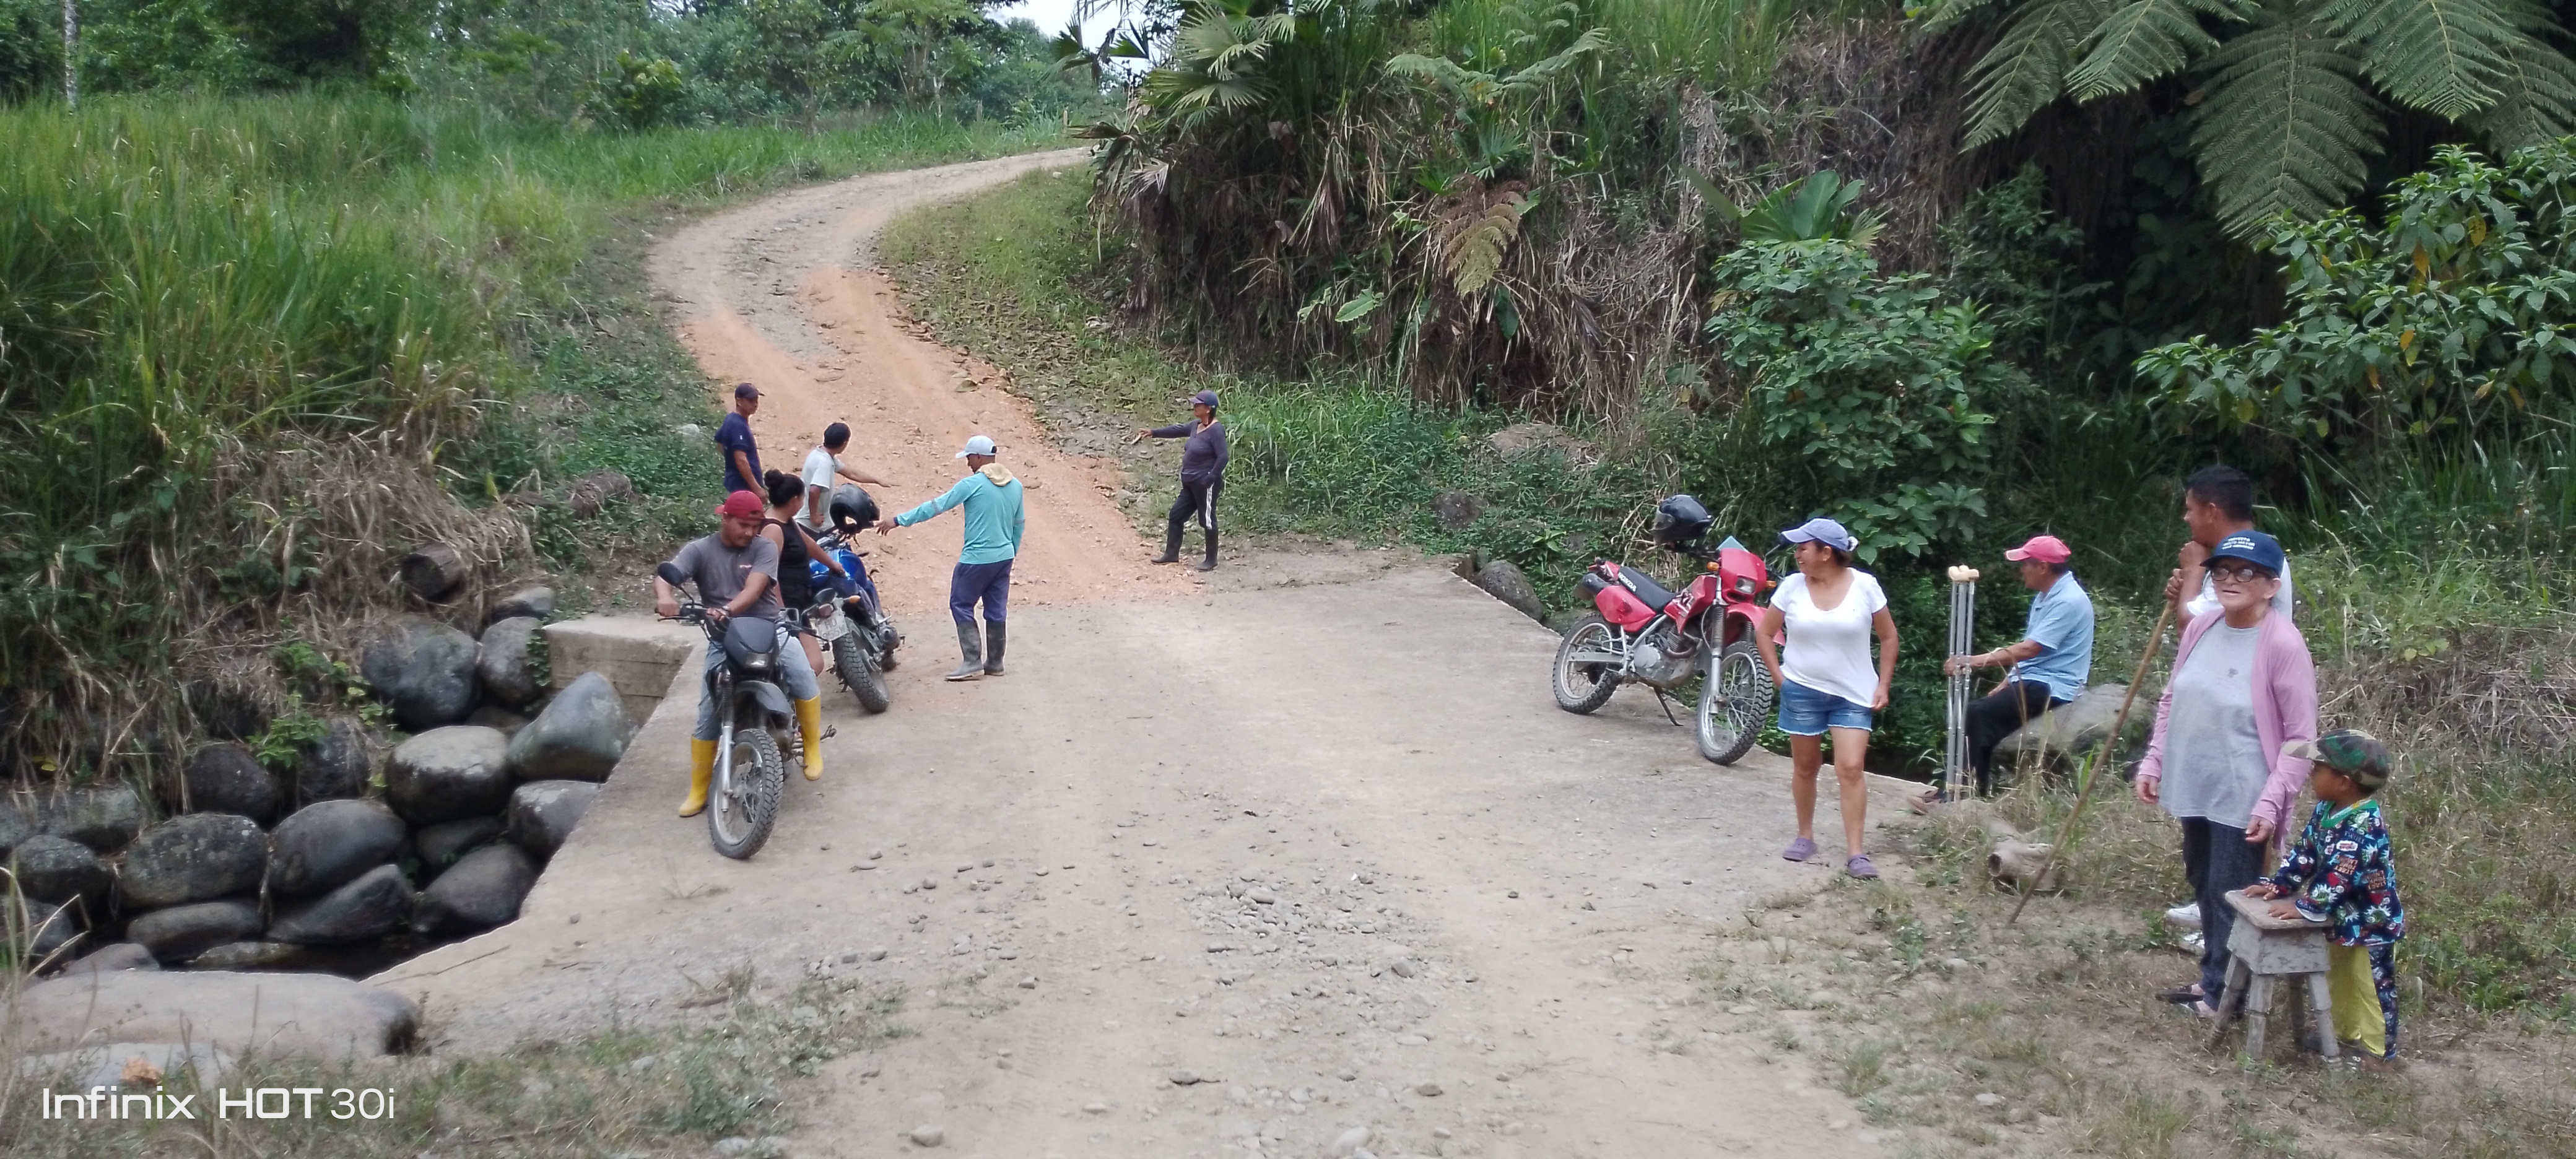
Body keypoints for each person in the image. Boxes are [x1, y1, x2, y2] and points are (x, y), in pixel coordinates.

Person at [2134, 529, 2318, 1019]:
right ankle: (2212, 979)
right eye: (2221, 571)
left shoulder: (2283, 643)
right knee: (2202, 879)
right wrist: (2154, 759)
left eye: (2246, 572)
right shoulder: (2203, 626)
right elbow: (2173, 697)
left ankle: (2227, 1000)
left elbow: (2301, 738)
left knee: (2231, 891)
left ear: (2271, 586)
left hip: (2245, 792)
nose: (2230, 580)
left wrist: (2273, 801)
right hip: (2196, 779)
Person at [2161, 465, 2294, 935]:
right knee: (2206, 850)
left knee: (2234, 849)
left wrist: (2193, 572)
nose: (2186, 519)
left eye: (2190, 509)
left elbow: (2187, 624)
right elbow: (2193, 621)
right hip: (2210, 725)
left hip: (2243, 732)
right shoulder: (2226, 566)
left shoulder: (2253, 564)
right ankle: (2213, 924)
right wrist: (2192, 580)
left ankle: (2227, 939)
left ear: (2212, 511)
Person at [652, 490, 828, 815]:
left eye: (754, 526)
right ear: (725, 518)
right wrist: (665, 596)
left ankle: (812, 748)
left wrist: (727, 609)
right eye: (742, 525)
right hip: (723, 636)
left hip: (768, 627)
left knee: (804, 674)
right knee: (709, 711)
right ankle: (699, 788)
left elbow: (755, 587)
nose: (749, 532)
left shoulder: (764, 547)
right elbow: (666, 576)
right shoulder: (700, 550)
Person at [2245, 729, 2406, 1070]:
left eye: (2318, 768)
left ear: (2344, 782)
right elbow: (2306, 853)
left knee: (2372, 987)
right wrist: (2280, 884)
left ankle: (2380, 1054)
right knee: (2340, 978)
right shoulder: (2326, 809)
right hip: (2343, 919)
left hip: (2372, 923)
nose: (2311, 774)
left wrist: (2306, 907)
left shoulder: (2363, 824)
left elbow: (2339, 875)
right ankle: (2344, 1032)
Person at [1753, 518, 1899, 880]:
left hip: (1854, 694)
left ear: (1826, 553)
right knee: (1805, 766)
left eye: (1803, 548)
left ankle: (1856, 852)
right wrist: (1780, 679)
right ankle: (1805, 836)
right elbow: (1765, 633)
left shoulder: (1865, 586)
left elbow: (1889, 637)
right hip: (1801, 690)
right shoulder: (1791, 587)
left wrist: (1883, 685)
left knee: (1850, 767)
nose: (1797, 554)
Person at [1916, 534, 2094, 810]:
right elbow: (2035, 651)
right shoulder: (2047, 596)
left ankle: (1967, 793)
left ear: (2043, 567)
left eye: (2026, 564)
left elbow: (2030, 649)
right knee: (1979, 710)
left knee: (1978, 713)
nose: (2022, 570)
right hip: (2037, 678)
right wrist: (2008, 681)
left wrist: (1972, 661)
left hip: (2054, 686)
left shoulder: (2068, 601)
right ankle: (1956, 786)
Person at [878, 435, 1024, 682]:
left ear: (978, 457)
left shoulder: (972, 485)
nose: (968, 463)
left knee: (961, 604)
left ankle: (972, 662)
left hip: (976, 558)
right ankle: (995, 662)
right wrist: (1010, 552)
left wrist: (899, 520)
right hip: (1004, 558)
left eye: (969, 458)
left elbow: (937, 506)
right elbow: (1019, 524)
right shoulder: (1016, 485)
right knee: (996, 609)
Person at [760, 470, 851, 679]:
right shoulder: (773, 529)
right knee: (813, 664)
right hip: (787, 606)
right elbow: (769, 575)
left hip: (798, 602)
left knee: (809, 663)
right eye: (802, 499)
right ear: (795, 500)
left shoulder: (786, 520)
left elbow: (807, 543)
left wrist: (833, 565)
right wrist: (781, 612)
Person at [1136, 390, 1230, 571]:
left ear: (1208, 409)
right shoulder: (1196, 426)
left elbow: (1223, 457)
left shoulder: (1216, 430)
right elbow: (1177, 430)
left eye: (1198, 404)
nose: (1194, 406)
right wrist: (1153, 432)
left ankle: (1211, 560)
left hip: (1205, 483)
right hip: (1190, 483)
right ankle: (1171, 554)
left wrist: (1210, 478)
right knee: (1176, 515)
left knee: (1207, 519)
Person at [800, 422, 892, 535]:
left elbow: (852, 474)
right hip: (810, 525)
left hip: (807, 521)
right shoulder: (824, 463)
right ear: (844, 443)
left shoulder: (820, 454)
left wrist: (877, 481)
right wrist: (814, 516)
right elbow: (814, 490)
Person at [717, 383, 764, 497]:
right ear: (739, 401)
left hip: (735, 484)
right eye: (751, 401)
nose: (755, 404)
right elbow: (741, 460)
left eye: (756, 400)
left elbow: (720, 442)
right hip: (743, 489)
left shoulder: (731, 418)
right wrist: (757, 488)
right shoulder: (738, 425)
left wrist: (731, 461)